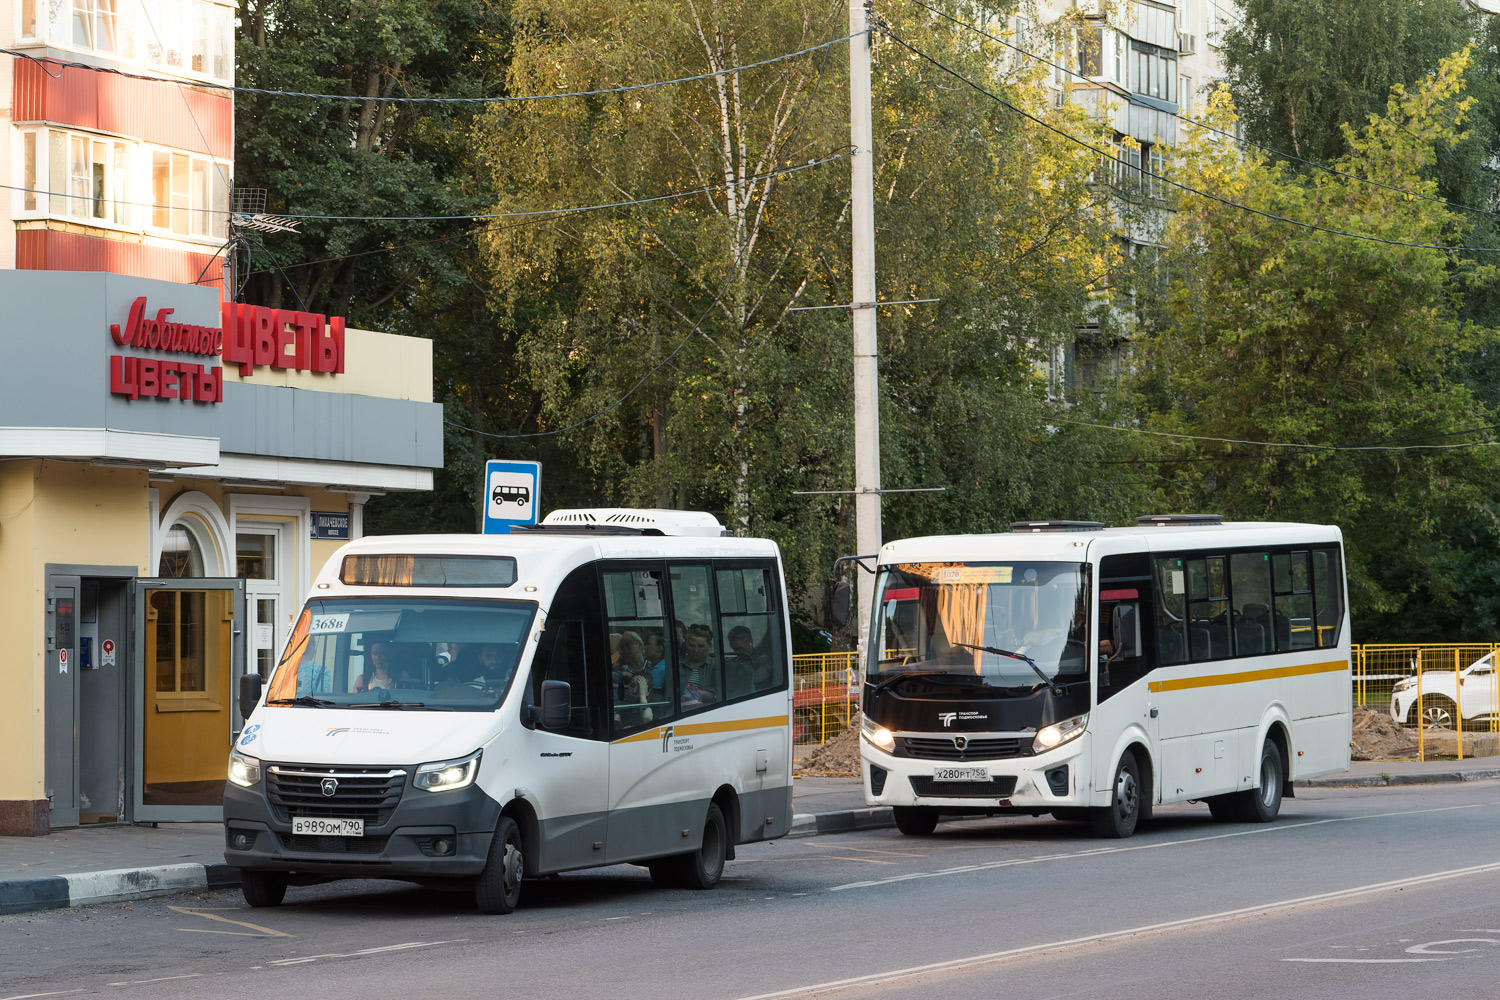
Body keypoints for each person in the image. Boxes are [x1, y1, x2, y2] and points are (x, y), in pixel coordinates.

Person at [679, 623, 719, 707]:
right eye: (692, 645)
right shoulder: (678, 663)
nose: (696, 650)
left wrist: (694, 692)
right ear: (686, 644)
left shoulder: (715, 665)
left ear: (709, 646)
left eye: (701, 646)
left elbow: (717, 694)